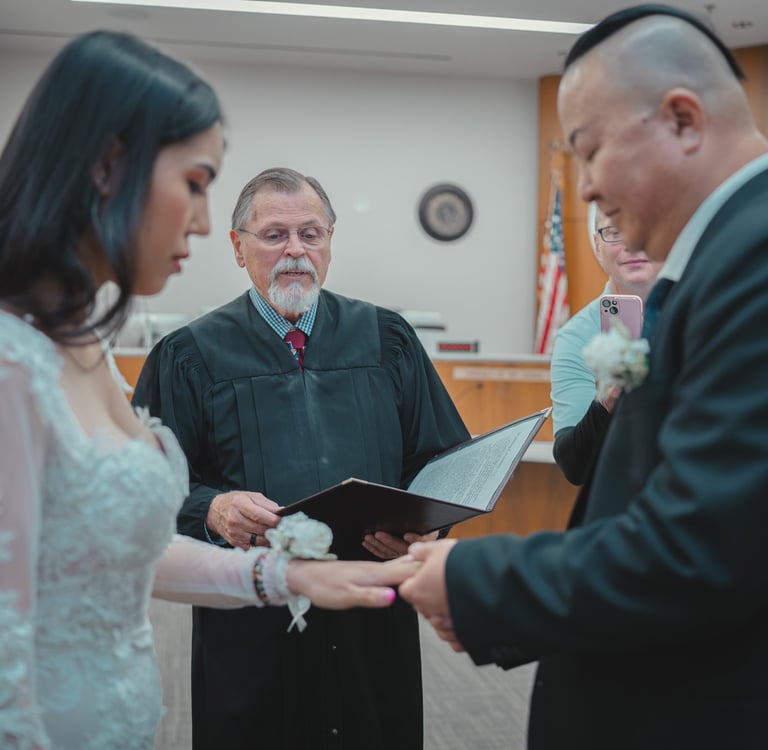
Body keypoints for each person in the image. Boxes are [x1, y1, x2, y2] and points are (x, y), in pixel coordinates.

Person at [0, 31, 420, 750]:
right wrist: (223, 516)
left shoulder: (83, 342)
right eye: (194, 183)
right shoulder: (21, 361)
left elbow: (118, 553)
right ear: (106, 170)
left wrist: (286, 577)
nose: (199, 219)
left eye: (311, 233)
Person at [400, 5, 768, 749]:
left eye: (591, 151)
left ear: (683, 120)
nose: (589, 190)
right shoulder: (722, 257)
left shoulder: (751, 261)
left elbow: (697, 547)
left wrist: (474, 580)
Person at [132, 166, 470, 749]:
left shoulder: (386, 339)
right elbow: (147, 490)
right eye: (275, 235)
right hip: (251, 616)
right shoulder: (189, 356)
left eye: (310, 234)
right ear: (238, 247)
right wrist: (213, 510)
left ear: (330, 242)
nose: (295, 250)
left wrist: (426, 529)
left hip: (370, 604)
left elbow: (442, 457)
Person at [550, 204, 660, 484]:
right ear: (598, 246)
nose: (631, 242)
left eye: (642, 226)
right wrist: (606, 401)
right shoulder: (576, 337)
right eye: (614, 231)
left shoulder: (700, 314)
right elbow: (574, 466)